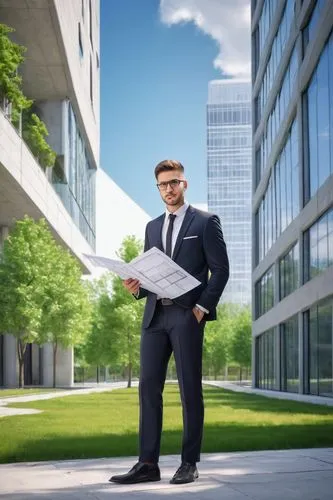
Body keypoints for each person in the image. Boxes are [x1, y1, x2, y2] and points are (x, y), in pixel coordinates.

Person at [109, 159, 229, 485]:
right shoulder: (151, 227)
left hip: (187, 316)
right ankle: (148, 463)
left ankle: (189, 463)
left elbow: (220, 270)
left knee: (190, 390)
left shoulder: (205, 222)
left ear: (184, 184)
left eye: (174, 182)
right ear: (158, 188)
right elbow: (151, 274)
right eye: (163, 184)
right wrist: (136, 287)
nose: (169, 189)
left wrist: (202, 308)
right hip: (154, 316)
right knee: (148, 389)